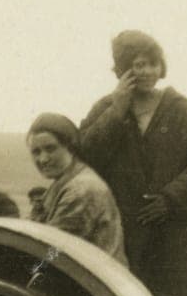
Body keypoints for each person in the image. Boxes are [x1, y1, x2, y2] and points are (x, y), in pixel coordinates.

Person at [78, 30, 187, 296]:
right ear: (122, 69)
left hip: (177, 237)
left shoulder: (181, 110)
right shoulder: (106, 108)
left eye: (152, 64)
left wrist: (169, 200)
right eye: (137, 65)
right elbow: (85, 156)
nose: (146, 72)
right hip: (126, 234)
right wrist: (117, 111)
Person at [26, 112, 126, 264]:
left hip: (94, 277)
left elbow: (52, 253)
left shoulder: (81, 190)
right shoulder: (66, 181)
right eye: (36, 152)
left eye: (51, 149)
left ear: (71, 148)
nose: (43, 159)